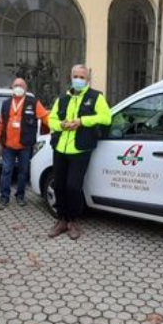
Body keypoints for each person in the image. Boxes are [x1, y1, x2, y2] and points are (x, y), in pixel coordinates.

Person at [47, 64, 112, 240]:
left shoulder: (96, 97)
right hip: (60, 147)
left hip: (80, 148)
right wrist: (61, 124)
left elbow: (106, 117)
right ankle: (61, 220)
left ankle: (73, 221)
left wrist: (82, 121)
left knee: (73, 187)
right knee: (59, 185)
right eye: (75, 76)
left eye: (82, 77)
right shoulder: (62, 98)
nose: (78, 80)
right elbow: (50, 119)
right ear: (71, 77)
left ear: (87, 79)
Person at [0, 78, 49, 209]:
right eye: (16, 85)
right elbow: (1, 123)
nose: (18, 87)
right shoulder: (6, 104)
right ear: (12, 87)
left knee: (23, 172)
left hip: (25, 145)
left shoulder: (33, 103)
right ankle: (4, 198)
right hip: (8, 145)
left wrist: (57, 127)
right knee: (6, 171)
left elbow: (45, 117)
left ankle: (20, 196)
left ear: (25, 88)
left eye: (21, 85)